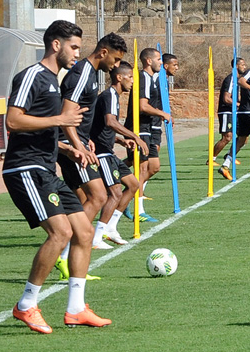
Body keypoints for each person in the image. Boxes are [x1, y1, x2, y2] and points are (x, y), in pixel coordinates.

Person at [5, 20, 111, 333]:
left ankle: (76, 309)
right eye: (73, 47)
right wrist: (60, 119)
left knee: (84, 232)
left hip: (47, 167)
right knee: (61, 233)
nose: (77, 53)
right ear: (56, 45)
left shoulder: (54, 80)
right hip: (25, 168)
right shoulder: (33, 76)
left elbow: (43, 127)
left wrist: (66, 148)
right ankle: (26, 305)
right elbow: (13, 121)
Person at [56, 33, 127, 264]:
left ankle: (67, 250)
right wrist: (78, 145)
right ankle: (64, 251)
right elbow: (66, 114)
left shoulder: (92, 74)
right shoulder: (82, 74)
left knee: (82, 200)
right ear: (103, 52)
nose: (116, 65)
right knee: (98, 196)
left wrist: (86, 139)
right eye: (115, 59)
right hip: (70, 145)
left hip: (79, 141)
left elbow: (81, 114)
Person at [91, 62, 148, 247]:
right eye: (130, 77)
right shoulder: (109, 95)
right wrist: (134, 136)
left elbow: (102, 128)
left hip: (109, 151)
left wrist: (120, 140)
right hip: (101, 153)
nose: (132, 81)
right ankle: (96, 237)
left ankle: (111, 228)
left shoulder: (114, 96)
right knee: (115, 193)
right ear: (119, 77)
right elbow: (110, 122)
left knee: (133, 184)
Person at [124, 48, 173, 222]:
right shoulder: (142, 77)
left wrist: (164, 114)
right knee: (142, 168)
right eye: (158, 59)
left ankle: (125, 195)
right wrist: (162, 114)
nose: (161, 62)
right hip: (138, 127)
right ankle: (138, 210)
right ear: (148, 61)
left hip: (150, 127)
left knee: (154, 167)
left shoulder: (155, 78)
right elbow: (142, 106)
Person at [212, 58, 246, 165]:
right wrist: (239, 104)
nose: (244, 67)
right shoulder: (231, 79)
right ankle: (212, 159)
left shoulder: (238, 79)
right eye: (242, 65)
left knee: (244, 136)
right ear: (236, 66)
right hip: (226, 111)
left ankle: (229, 156)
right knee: (227, 137)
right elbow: (226, 99)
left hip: (235, 112)